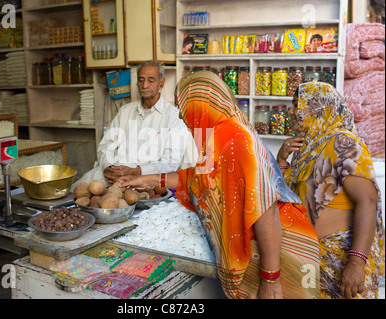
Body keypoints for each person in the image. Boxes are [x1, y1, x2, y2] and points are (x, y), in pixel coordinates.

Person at [119, 71, 320, 299]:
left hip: (282, 251)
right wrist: (143, 180)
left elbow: (266, 210)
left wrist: (271, 278)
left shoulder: (235, 137)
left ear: (199, 103)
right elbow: (195, 178)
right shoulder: (212, 133)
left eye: (182, 105)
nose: (181, 114)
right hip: (267, 249)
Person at [277, 81, 384, 299]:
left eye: (297, 105)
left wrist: (356, 263)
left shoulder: (344, 142)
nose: (291, 111)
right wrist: (281, 159)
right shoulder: (306, 146)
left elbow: (367, 202)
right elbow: (288, 198)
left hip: (341, 262)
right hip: (311, 261)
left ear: (318, 108)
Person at [74, 60, 197, 187]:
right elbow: (106, 146)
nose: (145, 85)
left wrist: (136, 171)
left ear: (161, 83)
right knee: (76, 191)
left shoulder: (174, 116)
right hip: (110, 175)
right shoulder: (125, 111)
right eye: (141, 80)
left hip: (145, 181)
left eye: (151, 80)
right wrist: (108, 168)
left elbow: (171, 162)